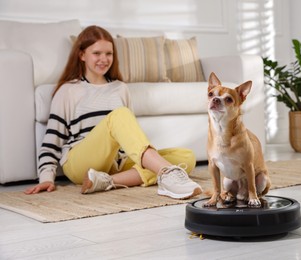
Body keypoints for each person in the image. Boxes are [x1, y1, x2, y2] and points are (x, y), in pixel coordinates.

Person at [24, 25, 202, 199]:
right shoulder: (68, 91)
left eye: (108, 53)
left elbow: (129, 135)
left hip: (116, 164)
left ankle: (107, 181)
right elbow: (51, 142)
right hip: (80, 162)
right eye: (97, 53)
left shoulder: (120, 88)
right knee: (120, 115)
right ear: (82, 55)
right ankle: (166, 173)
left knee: (186, 157)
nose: (104, 59)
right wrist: (46, 178)